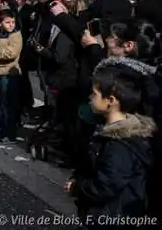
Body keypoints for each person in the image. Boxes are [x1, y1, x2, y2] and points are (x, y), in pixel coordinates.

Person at [66, 61, 156, 228]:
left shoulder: (121, 144)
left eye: (94, 94)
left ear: (111, 100)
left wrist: (78, 188)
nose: (90, 98)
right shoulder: (111, 132)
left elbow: (107, 185)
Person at [0, 9, 22, 143]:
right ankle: (2, 129)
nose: (11, 25)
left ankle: (10, 133)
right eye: (7, 22)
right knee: (1, 103)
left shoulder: (15, 35)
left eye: (12, 22)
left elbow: (12, 52)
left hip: (9, 73)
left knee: (9, 104)